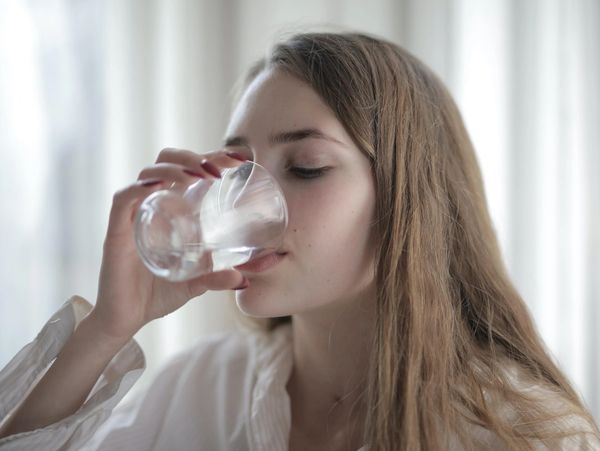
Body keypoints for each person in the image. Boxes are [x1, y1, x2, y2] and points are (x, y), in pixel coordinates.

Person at [0, 31, 598, 451]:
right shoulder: (205, 388)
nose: (243, 201)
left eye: (306, 166)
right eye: (237, 169)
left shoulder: (525, 434)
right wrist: (107, 328)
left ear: (408, 199)